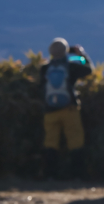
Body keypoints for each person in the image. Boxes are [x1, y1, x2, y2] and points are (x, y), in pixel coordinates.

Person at [40, 38, 93, 180]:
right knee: (75, 141)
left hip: (49, 111)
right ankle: (77, 175)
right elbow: (88, 69)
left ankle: (50, 175)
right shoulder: (71, 67)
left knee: (51, 142)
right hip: (69, 109)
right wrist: (81, 55)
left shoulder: (45, 68)